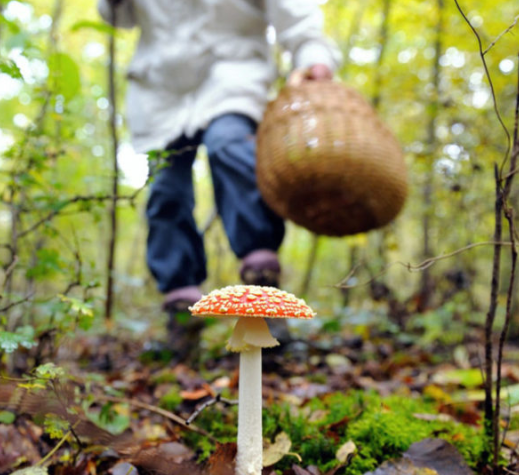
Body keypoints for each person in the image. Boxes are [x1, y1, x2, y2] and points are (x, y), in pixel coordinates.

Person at [97, 0, 340, 356]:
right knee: (165, 189)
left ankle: (264, 296)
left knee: (230, 146)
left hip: (233, 74)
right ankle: (181, 314)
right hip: (161, 90)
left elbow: (293, 13)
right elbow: (118, 17)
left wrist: (313, 54)